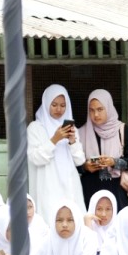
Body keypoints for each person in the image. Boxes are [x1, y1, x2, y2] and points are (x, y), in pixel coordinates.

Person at [27, 84, 86, 217]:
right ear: (46, 103)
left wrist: (72, 141)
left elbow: (80, 160)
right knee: (50, 221)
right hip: (47, 185)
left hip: (70, 185)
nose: (59, 109)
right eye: (54, 104)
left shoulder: (71, 129)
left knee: (72, 222)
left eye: (63, 105)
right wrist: (54, 139)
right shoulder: (35, 128)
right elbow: (35, 158)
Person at [76, 89, 128, 209]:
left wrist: (114, 162)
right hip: (89, 190)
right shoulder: (81, 133)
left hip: (116, 190)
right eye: (92, 110)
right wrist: (85, 167)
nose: (96, 115)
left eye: (100, 109)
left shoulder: (122, 130)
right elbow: (73, 164)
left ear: (108, 107)